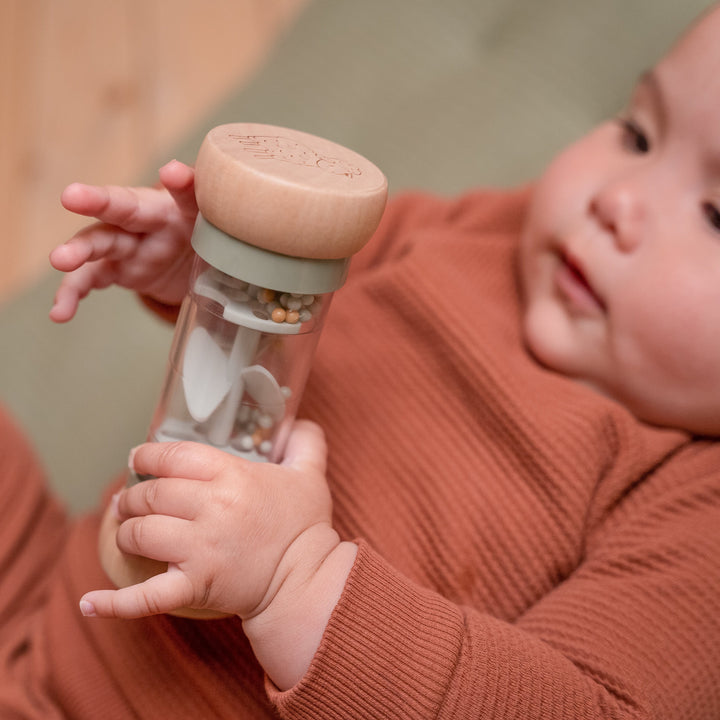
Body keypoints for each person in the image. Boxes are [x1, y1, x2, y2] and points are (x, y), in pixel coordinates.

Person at [2, 3, 718, 718]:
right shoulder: (483, 234)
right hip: (41, 624)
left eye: (715, 213)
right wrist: (206, 271)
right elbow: (286, 301)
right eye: (636, 133)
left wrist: (296, 582)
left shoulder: (694, 517)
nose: (619, 199)